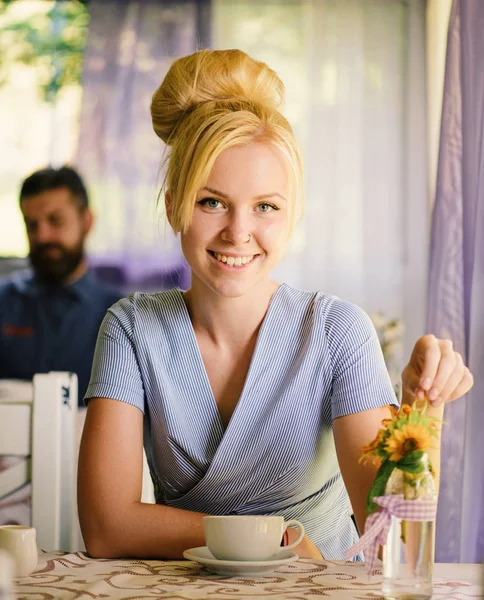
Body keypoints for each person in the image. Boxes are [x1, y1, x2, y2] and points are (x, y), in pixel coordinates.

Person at [78, 49, 474, 560]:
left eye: (265, 206)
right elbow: (108, 528)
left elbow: (392, 533)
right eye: (211, 201)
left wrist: (421, 409)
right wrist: (274, 538)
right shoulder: (132, 329)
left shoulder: (336, 330)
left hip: (321, 589)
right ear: (175, 206)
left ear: (292, 217)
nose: (238, 232)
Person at [0, 166, 122, 405]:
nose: (42, 236)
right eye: (32, 225)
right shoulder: (4, 301)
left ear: (86, 221)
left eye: (55, 221)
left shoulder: (120, 314)